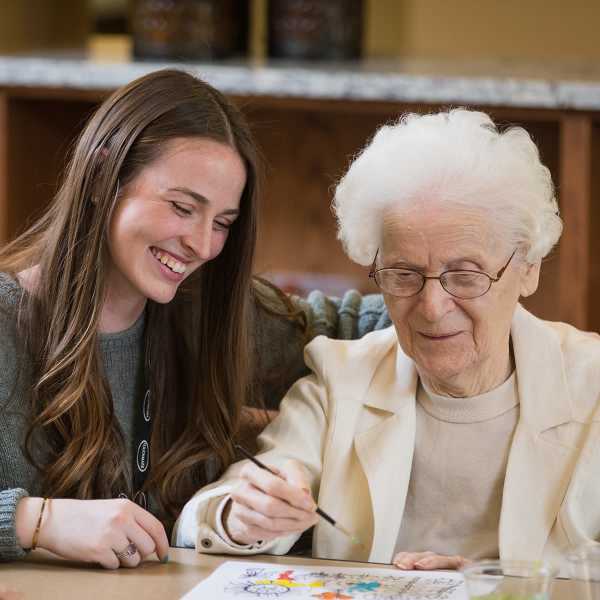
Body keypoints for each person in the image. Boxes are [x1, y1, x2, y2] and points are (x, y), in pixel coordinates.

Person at [173, 108, 600, 572]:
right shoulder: (340, 381)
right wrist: (245, 516)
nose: (433, 307)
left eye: (465, 275)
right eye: (403, 274)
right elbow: (210, 516)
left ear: (529, 268)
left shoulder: (592, 385)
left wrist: (482, 581)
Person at [0, 68, 390, 568]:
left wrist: (464, 278)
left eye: (223, 223)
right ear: (102, 177)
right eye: (183, 207)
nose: (203, 245)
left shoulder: (207, 313)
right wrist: (35, 520)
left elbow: (362, 323)